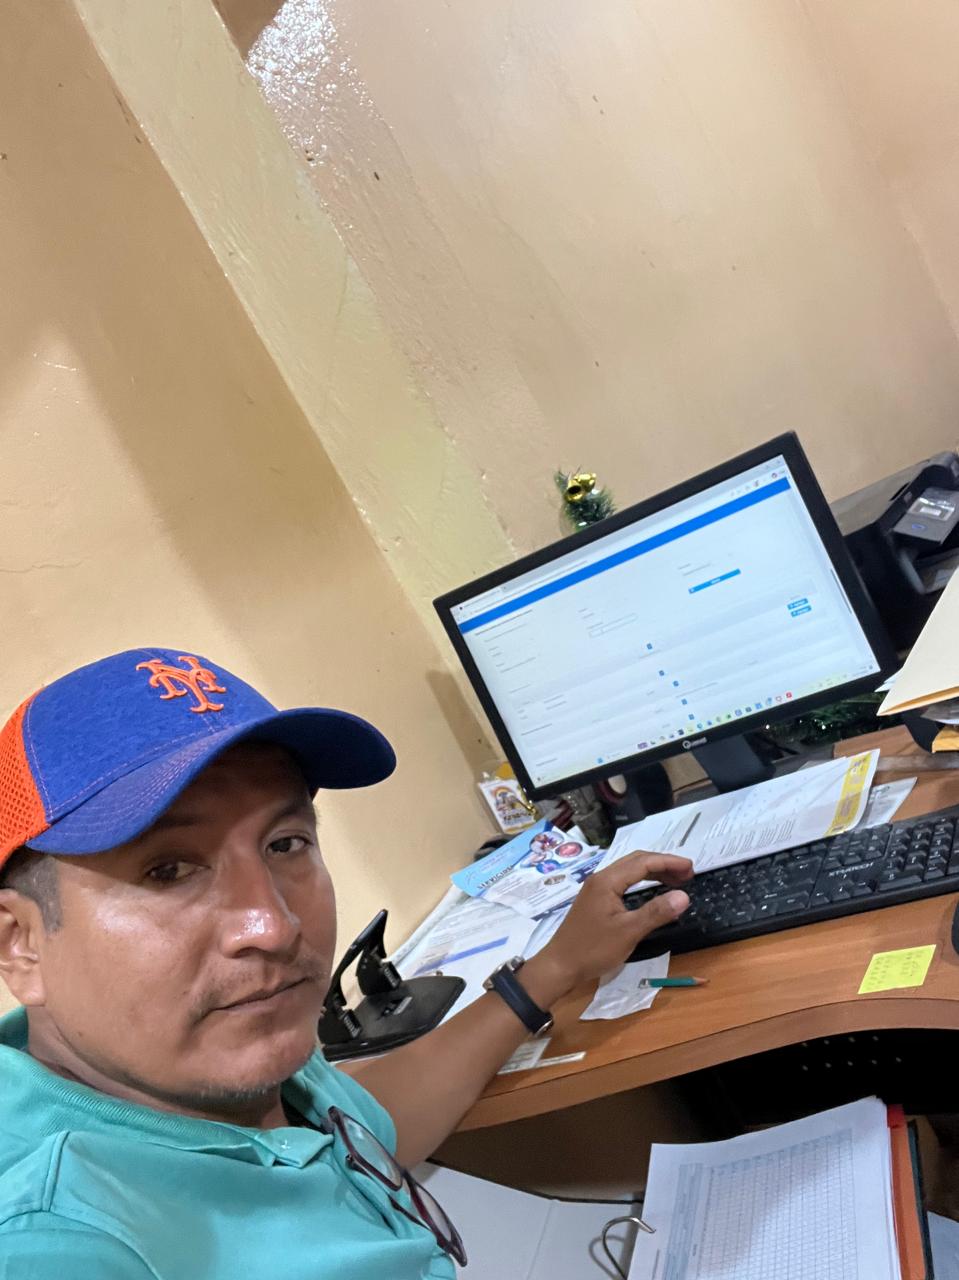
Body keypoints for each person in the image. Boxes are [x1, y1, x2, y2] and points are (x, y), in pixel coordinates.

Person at [0, 648, 692, 1278]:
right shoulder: (58, 1239)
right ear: (19, 944)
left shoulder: (198, 1067)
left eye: (284, 843)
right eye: (168, 869)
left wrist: (556, 966)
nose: (273, 926)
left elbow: (370, 1124)